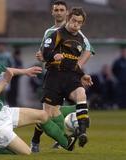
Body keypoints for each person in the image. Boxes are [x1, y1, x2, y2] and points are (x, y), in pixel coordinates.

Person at [0, 40, 77, 155]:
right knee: (26, 153)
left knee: (42, 115)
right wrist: (5, 82)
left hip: (3, 112)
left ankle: (67, 142)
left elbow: (5, 70)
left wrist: (26, 71)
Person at [31, 0, 94, 152]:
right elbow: (44, 53)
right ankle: (40, 139)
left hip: (69, 75)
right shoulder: (50, 33)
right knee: (50, 113)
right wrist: (45, 57)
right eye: (56, 10)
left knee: (78, 96)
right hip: (53, 75)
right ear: (53, 12)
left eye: (61, 10)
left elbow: (89, 50)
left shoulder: (78, 34)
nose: (59, 12)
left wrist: (79, 69)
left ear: (66, 13)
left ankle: (75, 131)